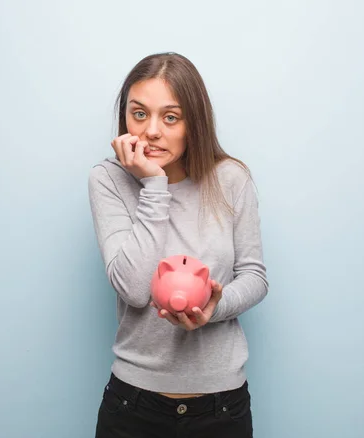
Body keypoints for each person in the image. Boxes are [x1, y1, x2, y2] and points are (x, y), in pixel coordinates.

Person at [87, 52, 269, 438]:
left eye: (170, 117)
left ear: (193, 123)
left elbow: (254, 276)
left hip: (221, 407)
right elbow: (136, 291)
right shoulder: (108, 180)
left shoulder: (232, 179)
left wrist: (215, 307)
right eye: (139, 114)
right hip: (132, 405)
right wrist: (154, 185)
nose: (151, 131)